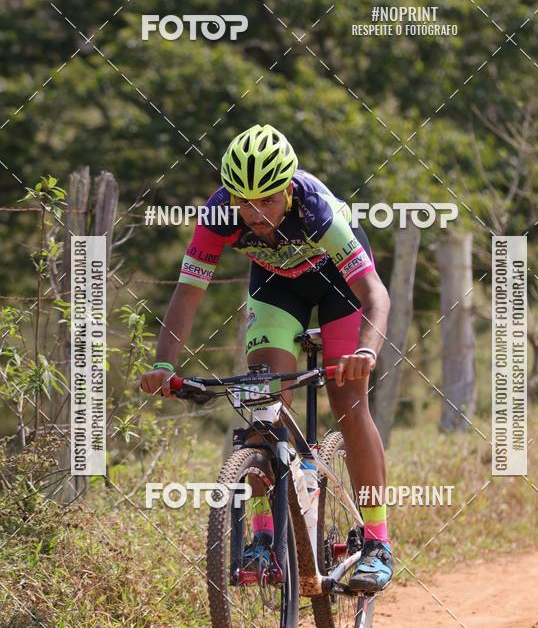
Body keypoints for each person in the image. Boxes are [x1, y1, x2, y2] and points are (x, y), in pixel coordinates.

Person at [140, 124, 393, 591]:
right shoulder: (219, 215)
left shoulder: (316, 209)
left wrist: (365, 352)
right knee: (262, 405)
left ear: (289, 189)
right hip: (277, 289)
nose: (255, 214)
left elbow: (375, 294)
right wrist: (164, 365)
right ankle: (262, 538)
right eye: (244, 201)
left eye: (268, 201)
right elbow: (189, 292)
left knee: (349, 402)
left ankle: (377, 542)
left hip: (340, 287)